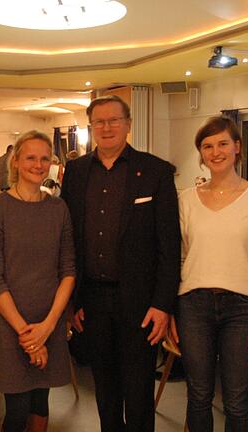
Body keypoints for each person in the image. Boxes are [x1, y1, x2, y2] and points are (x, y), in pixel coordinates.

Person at [61, 95, 180, 432]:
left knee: (139, 388)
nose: (107, 127)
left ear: (128, 124)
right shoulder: (76, 171)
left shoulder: (156, 171)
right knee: (104, 386)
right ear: (92, 127)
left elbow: (169, 246)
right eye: (99, 121)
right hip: (93, 300)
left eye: (114, 120)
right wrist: (73, 300)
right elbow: (69, 238)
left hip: (141, 302)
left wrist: (162, 304)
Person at [178, 116, 248, 431]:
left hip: (244, 309)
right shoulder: (185, 200)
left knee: (237, 402)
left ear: (237, 147)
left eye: (223, 143)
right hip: (193, 305)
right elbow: (179, 259)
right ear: (201, 154)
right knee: (197, 396)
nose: (216, 151)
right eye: (207, 146)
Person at [0, 130, 75, 432]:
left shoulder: (58, 208)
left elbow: (68, 270)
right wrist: (28, 336)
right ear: (16, 161)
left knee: (40, 403)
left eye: (44, 158)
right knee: (17, 409)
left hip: (49, 319)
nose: (38, 164)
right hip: (12, 324)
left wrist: (46, 328)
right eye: (30, 157)